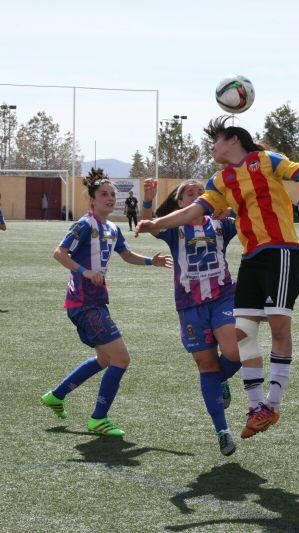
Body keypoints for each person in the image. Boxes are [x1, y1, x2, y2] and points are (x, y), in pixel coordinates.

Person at [136, 116, 299, 440]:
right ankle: (257, 408)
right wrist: (152, 223)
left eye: (215, 140)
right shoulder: (220, 180)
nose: (212, 146)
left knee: (280, 327)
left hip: (281, 251)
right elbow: (188, 212)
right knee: (243, 334)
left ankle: (273, 402)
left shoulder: (267, 161)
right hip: (250, 259)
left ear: (233, 140)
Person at [41, 168, 172, 437]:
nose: (110, 198)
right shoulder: (84, 224)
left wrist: (150, 261)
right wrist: (86, 272)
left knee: (104, 359)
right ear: (92, 200)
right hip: (83, 303)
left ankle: (56, 395)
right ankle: (98, 419)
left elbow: (125, 255)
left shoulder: (112, 228)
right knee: (121, 358)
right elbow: (59, 253)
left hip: (97, 302)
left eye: (113, 194)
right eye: (104, 194)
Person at [140, 178, 243, 456]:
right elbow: (149, 223)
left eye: (201, 192)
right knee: (207, 366)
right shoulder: (175, 229)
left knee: (235, 350)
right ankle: (222, 431)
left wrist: (232, 208)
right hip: (189, 306)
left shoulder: (222, 224)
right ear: (181, 203)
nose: (197, 195)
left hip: (223, 296)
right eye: (190, 193)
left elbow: (249, 217)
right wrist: (148, 198)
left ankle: (221, 380)